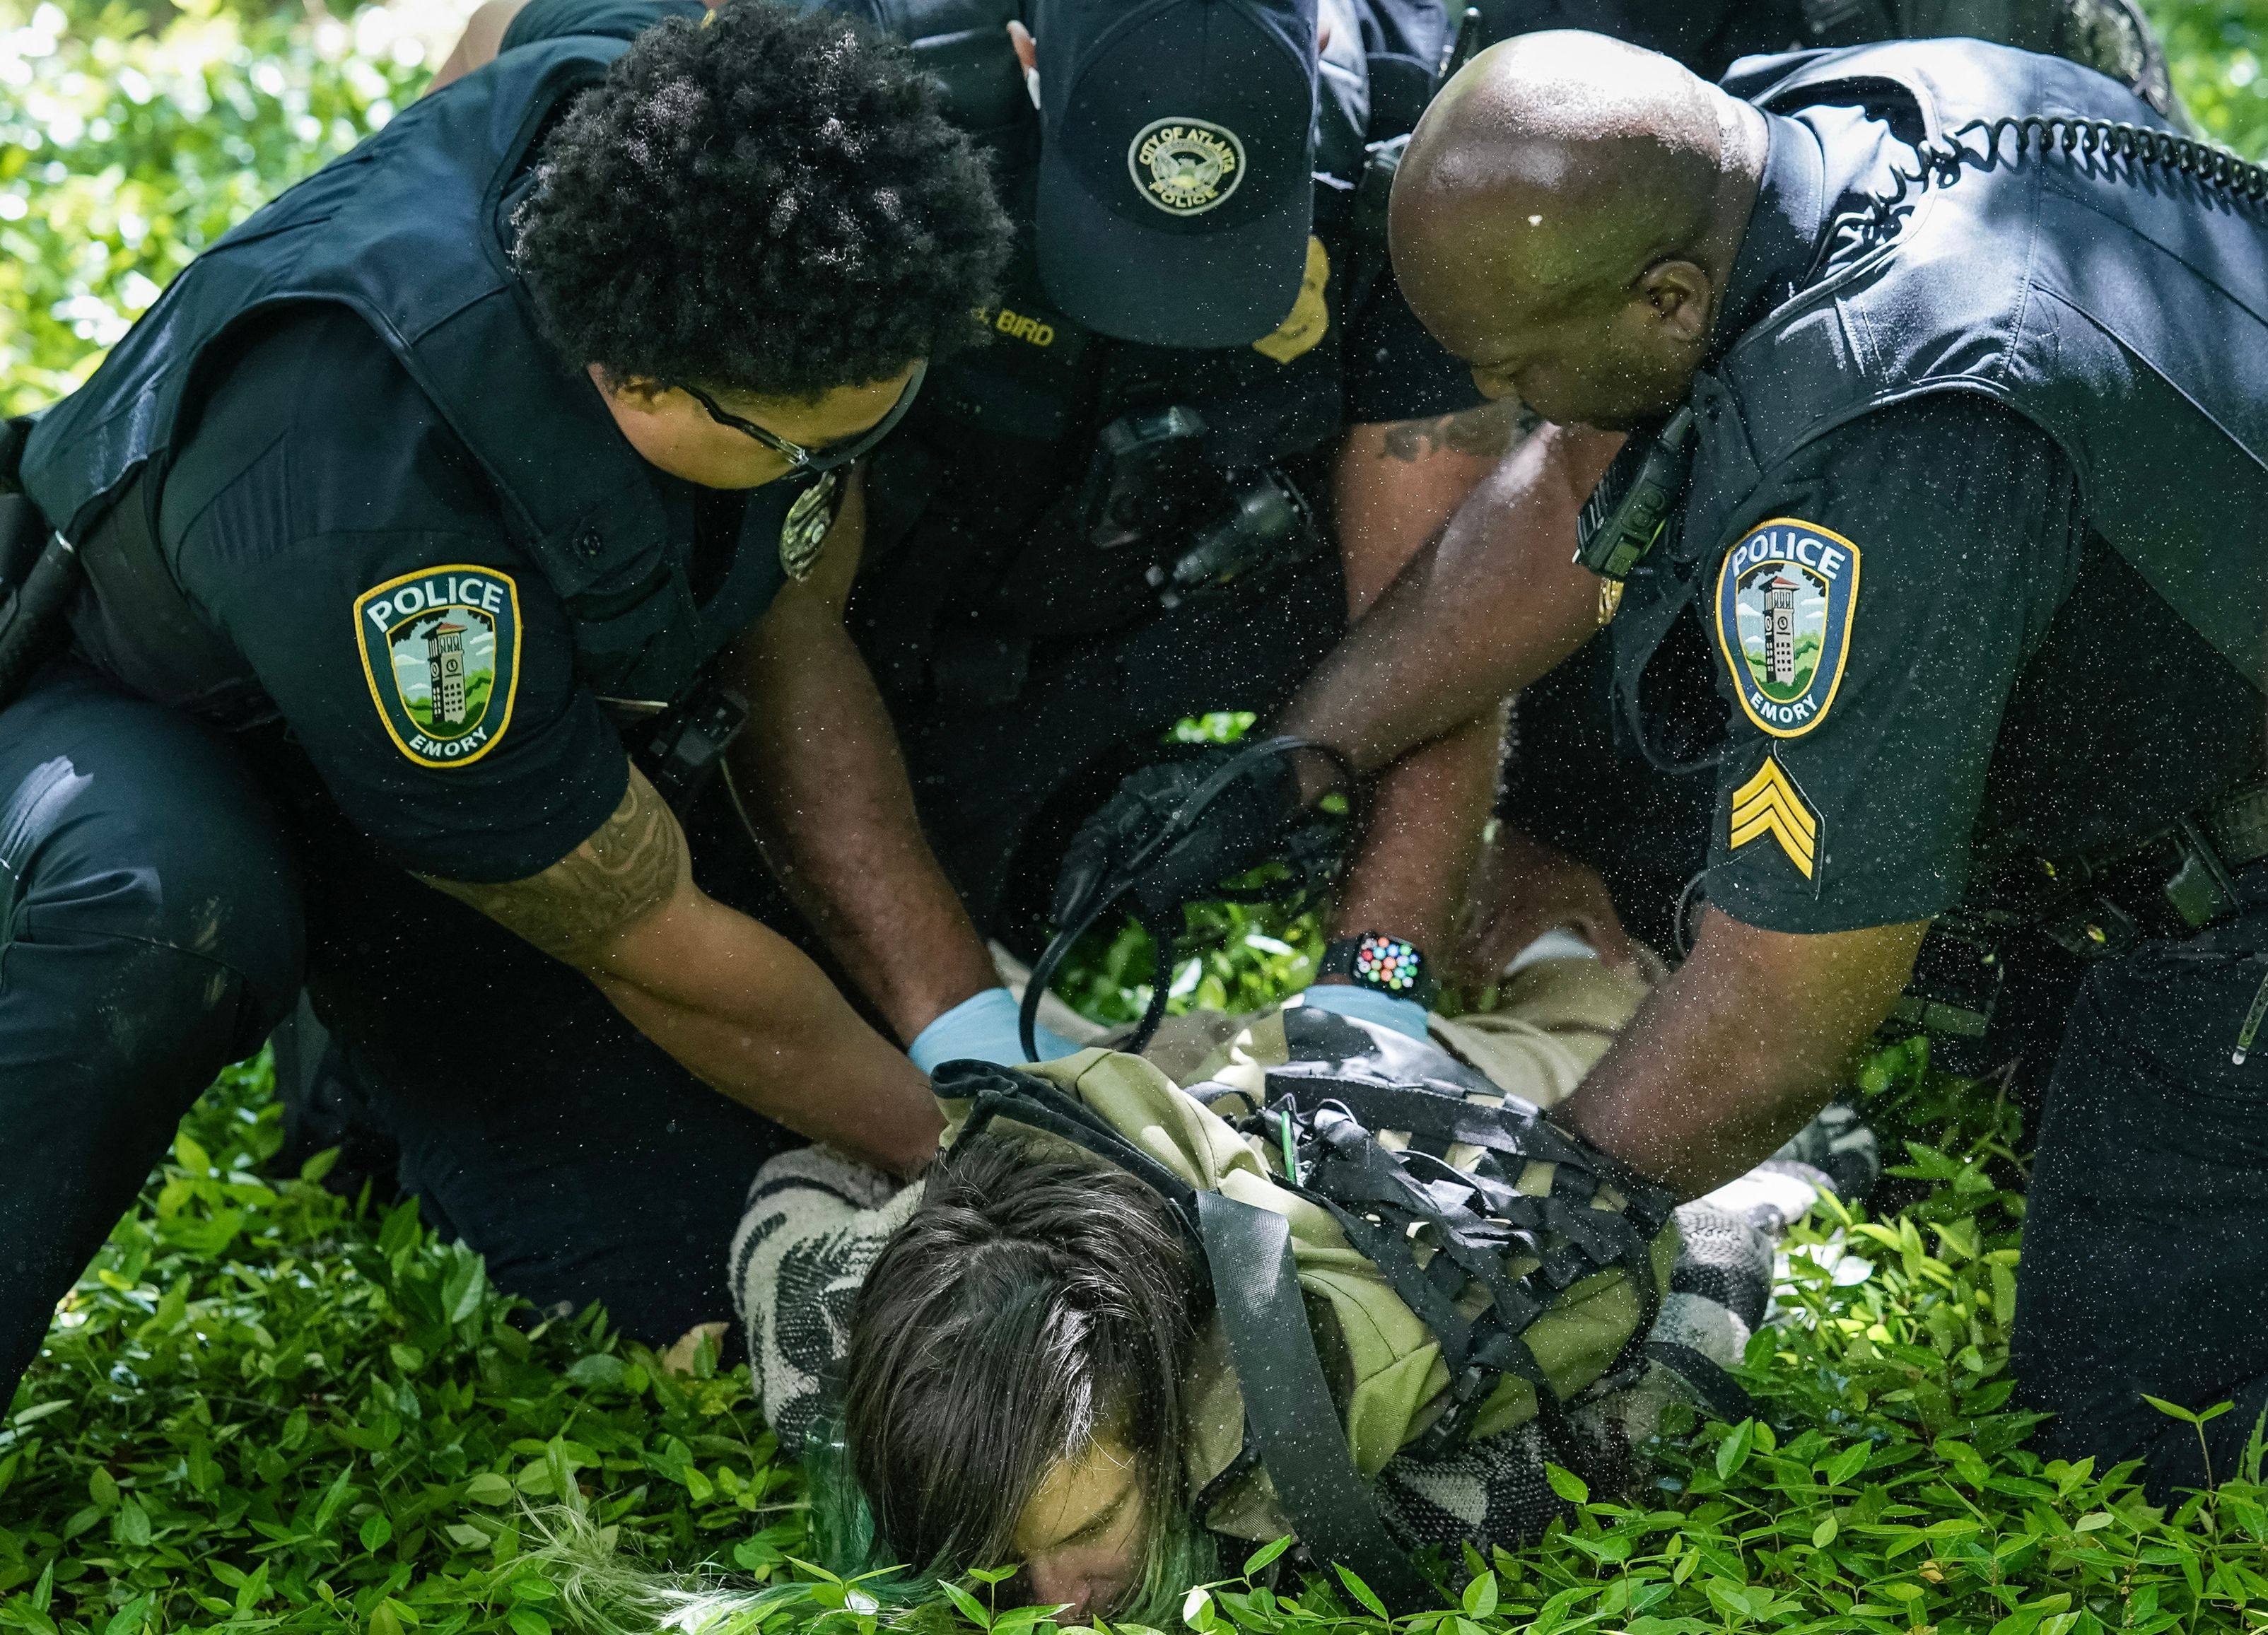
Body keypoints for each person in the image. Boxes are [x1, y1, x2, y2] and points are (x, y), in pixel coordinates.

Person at [1085, 30, 2267, 1495]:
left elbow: (1782, 1002)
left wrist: (1501, 1233)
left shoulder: (1891, 436)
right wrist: (1300, 750)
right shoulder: (1805, 137)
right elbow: (1581, 474)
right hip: (2176, 656)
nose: (1496, 391)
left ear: (1664, 299)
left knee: (2134, 1431)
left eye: (1514, 363)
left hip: (2235, 872)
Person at [0, 0, 1015, 1397]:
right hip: (177, 722)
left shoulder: (690, 116)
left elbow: (781, 601)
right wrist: (975, 1152)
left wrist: (968, 1032)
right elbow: (640, 928)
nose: (846, 461)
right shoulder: (376, 508)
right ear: (641, 383)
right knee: (173, 912)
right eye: (813, 442)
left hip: (560, 721)